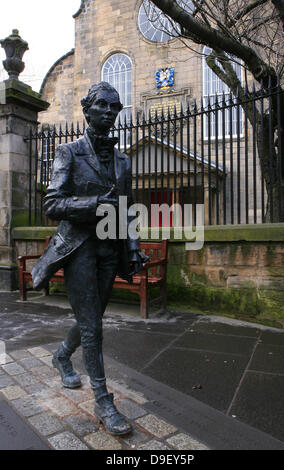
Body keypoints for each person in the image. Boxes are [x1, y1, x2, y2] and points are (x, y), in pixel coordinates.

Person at [31, 82, 147, 436]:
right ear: (87, 108)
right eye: (103, 106)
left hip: (110, 250)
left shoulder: (123, 159)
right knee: (93, 326)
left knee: (92, 316)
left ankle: (62, 355)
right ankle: (103, 399)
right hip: (79, 247)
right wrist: (93, 205)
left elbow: (126, 210)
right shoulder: (68, 152)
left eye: (115, 107)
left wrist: (132, 246)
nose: (110, 112)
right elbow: (53, 204)